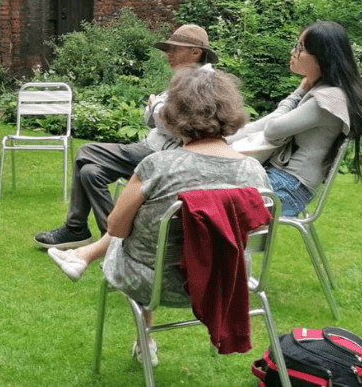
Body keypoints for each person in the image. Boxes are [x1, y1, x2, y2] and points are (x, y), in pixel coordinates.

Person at [47, 66, 270, 366]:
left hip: (158, 283)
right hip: (228, 280)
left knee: (129, 242)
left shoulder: (157, 166)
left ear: (173, 113)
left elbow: (115, 227)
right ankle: (83, 257)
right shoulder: (253, 171)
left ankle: (144, 338)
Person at [33, 24, 218, 249]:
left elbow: (175, 123)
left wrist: (155, 103)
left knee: (86, 151)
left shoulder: (199, 81)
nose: (168, 54)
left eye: (174, 49)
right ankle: (113, 241)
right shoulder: (187, 77)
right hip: (154, 146)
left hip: (160, 153)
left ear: (195, 52)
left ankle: (75, 228)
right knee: (91, 172)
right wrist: (156, 108)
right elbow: (150, 119)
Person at [226, 21, 362, 217]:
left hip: (286, 189)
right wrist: (220, 139)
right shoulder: (322, 91)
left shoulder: (327, 101)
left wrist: (298, 93)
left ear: (321, 58)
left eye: (300, 48)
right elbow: (265, 124)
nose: (293, 52)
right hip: (280, 181)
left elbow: (273, 129)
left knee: (204, 198)